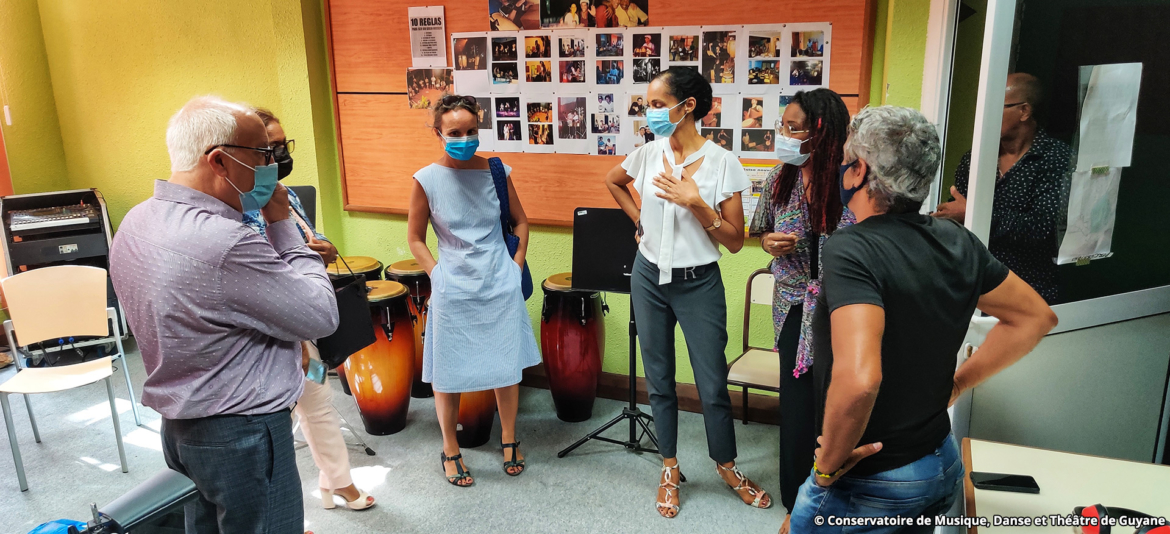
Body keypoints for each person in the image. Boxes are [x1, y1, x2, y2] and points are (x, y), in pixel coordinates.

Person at [788, 106, 1057, 532]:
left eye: (845, 160)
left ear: (859, 171)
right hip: (938, 463)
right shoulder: (957, 240)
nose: (840, 167)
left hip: (872, 479)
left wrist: (825, 469)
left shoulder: (851, 249)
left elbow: (860, 381)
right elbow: (1035, 318)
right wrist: (959, 384)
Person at [109, 96, 339, 533]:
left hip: (181, 426)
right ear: (219, 161)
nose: (272, 164)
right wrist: (282, 225)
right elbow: (320, 314)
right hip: (243, 435)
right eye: (263, 154)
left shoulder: (137, 222)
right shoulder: (226, 241)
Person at [604, 66, 771, 519]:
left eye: (658, 105)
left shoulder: (723, 163)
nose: (650, 113)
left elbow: (736, 241)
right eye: (649, 104)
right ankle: (670, 467)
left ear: (688, 106)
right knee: (658, 381)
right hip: (648, 277)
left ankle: (727, 466)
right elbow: (613, 182)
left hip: (699, 282)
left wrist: (696, 203)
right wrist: (639, 220)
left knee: (712, 383)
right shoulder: (647, 154)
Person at [241, 108, 375, 513]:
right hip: (278, 327)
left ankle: (328, 483)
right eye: (272, 147)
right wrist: (292, 339)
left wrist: (327, 249)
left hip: (306, 314)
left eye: (285, 144)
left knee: (317, 399)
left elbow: (310, 239)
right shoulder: (238, 207)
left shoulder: (286, 193)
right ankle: (340, 484)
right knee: (317, 401)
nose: (281, 154)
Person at [407, 94, 540, 487]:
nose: (464, 139)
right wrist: (436, 274)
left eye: (470, 131)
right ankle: (450, 448)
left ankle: (510, 439)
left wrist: (515, 269)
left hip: (499, 284)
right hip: (453, 288)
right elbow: (415, 238)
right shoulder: (426, 179)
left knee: (506, 368)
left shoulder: (497, 171)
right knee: (447, 375)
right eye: (454, 132)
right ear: (437, 133)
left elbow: (521, 223)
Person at [747, 89, 852, 534]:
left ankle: (839, 494)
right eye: (783, 126)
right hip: (792, 303)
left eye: (793, 127)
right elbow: (760, 232)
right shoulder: (779, 178)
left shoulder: (852, 182)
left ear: (821, 130)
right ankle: (796, 499)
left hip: (844, 306)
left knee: (837, 401)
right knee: (796, 403)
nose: (784, 135)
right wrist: (769, 242)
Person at [934, 73, 1071, 303]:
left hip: (1030, 293)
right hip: (975, 289)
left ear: (1024, 112)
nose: (987, 114)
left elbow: (1043, 229)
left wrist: (975, 215)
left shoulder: (1056, 159)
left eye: (998, 106)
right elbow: (958, 215)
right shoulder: (975, 159)